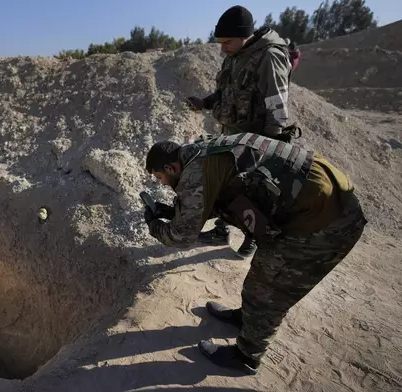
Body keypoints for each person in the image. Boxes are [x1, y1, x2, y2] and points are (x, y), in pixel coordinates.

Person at [142, 133, 367, 375]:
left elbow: (182, 236)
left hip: (324, 225)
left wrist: (155, 225)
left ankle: (246, 356)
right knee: (260, 282)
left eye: (160, 177)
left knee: (268, 291)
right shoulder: (204, 152)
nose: (162, 183)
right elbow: (218, 197)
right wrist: (173, 211)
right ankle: (247, 320)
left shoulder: (194, 173)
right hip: (319, 204)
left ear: (171, 167)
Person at [185, 6, 295, 258]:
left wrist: (268, 146)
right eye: (220, 42)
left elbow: (278, 106)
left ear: (245, 35)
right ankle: (221, 230)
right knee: (225, 184)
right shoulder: (235, 55)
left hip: (256, 139)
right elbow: (226, 92)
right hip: (230, 133)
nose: (223, 48)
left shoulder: (269, 56)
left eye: (227, 42)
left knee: (252, 190)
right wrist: (205, 102)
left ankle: (253, 237)